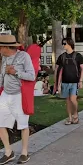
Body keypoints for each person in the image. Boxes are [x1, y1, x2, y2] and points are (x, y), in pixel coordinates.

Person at [0, 35, 35, 164]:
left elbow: (32, 76)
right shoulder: (4, 58)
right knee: (0, 123)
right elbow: (1, 76)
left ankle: (24, 153)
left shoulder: (23, 56)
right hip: (5, 94)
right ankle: (8, 152)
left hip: (20, 95)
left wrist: (15, 72)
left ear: (5, 47)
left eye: (0, 47)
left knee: (23, 125)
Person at [55, 37, 83, 125]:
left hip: (74, 82)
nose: (63, 45)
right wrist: (57, 84)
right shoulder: (62, 57)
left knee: (73, 99)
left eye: (65, 43)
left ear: (70, 44)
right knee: (67, 100)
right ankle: (70, 117)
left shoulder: (77, 56)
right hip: (64, 82)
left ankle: (75, 113)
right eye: (63, 43)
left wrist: (81, 81)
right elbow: (57, 70)